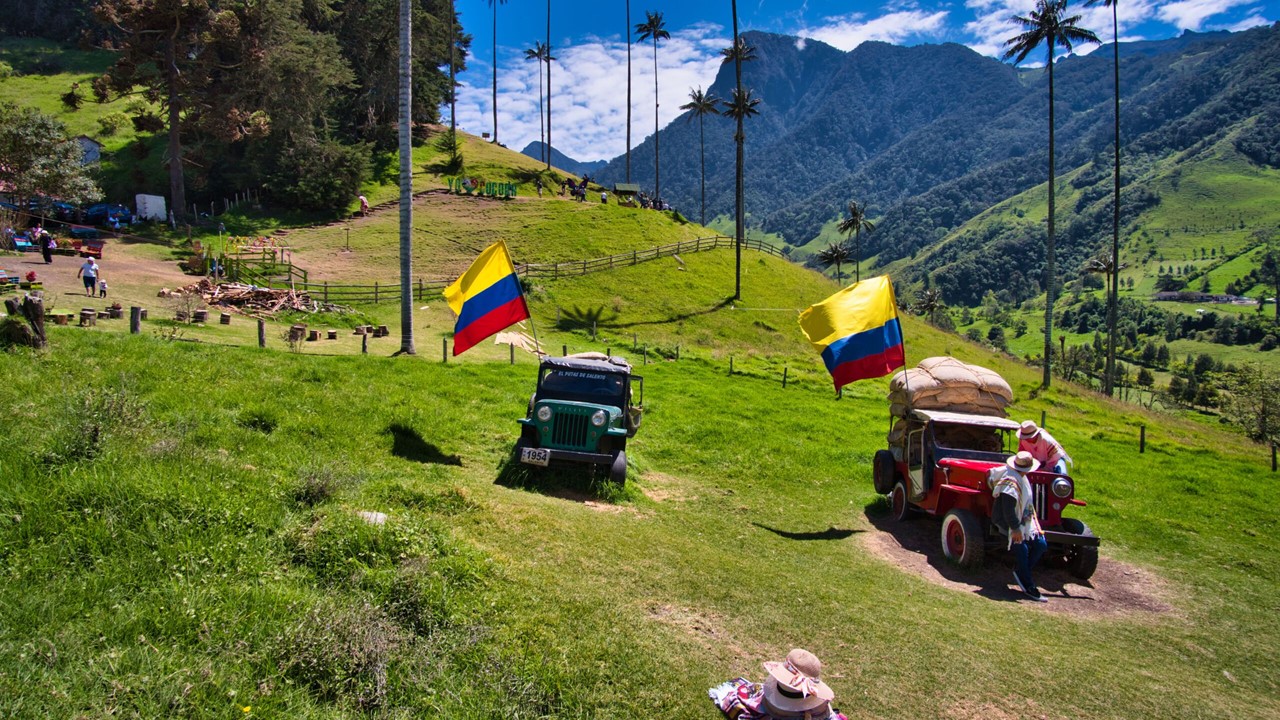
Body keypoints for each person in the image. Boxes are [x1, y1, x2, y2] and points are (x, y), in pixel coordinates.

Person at [990, 451, 1048, 602]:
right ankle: (1028, 584)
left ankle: (1022, 572)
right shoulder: (1010, 481)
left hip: (1022, 521)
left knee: (1041, 544)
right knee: (1021, 548)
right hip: (1007, 522)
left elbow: (1027, 506)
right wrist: (1016, 529)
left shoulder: (1022, 478)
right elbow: (1007, 511)